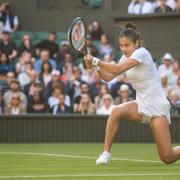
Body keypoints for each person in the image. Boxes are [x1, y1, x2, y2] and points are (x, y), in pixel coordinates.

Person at [84, 23, 180, 165]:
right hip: (141, 105)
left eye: (127, 45)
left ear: (136, 43)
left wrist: (95, 60)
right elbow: (109, 77)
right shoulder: (125, 57)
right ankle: (106, 154)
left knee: (167, 157)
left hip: (158, 108)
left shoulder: (142, 53)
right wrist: (95, 67)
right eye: (121, 46)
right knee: (116, 111)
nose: (123, 49)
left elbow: (116, 69)